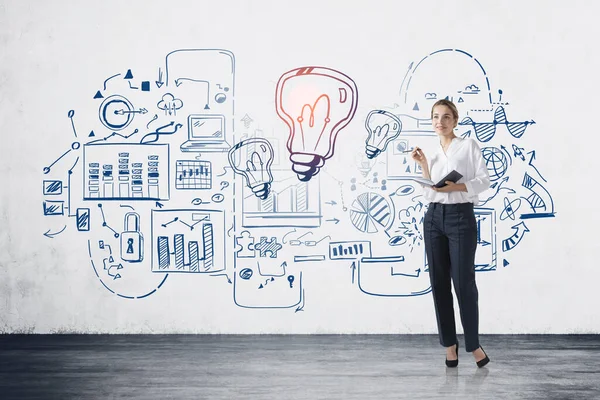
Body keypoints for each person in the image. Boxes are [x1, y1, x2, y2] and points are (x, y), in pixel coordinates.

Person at [411, 99, 491, 368]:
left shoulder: (468, 146)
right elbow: (429, 190)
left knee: (464, 283)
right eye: (435, 117)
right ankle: (449, 344)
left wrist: (454, 189)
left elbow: (484, 181)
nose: (440, 122)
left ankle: (474, 344)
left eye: (446, 117)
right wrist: (423, 166)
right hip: (433, 218)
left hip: (460, 218)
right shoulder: (431, 150)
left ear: (455, 120)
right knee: (439, 283)